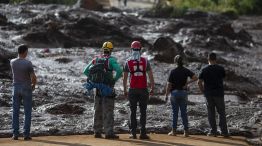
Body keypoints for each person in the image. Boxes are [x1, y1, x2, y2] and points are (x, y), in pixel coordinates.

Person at [83, 41, 122, 139]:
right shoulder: (112, 60)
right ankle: (109, 133)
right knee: (108, 110)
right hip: (108, 88)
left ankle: (97, 132)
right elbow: (120, 71)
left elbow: (85, 71)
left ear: (103, 49)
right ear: (111, 50)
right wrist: (113, 80)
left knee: (97, 110)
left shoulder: (96, 59)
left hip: (97, 88)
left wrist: (93, 80)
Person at [123, 41, 155, 139]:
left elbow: (124, 79)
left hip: (132, 90)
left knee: (132, 111)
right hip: (143, 89)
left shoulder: (127, 62)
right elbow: (151, 77)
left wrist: (125, 90)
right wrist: (152, 88)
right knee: (143, 112)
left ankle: (133, 133)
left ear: (131, 49)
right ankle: (143, 133)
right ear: (140, 49)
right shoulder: (146, 61)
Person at [198, 53, 229, 137]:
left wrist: (203, 92)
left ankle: (213, 131)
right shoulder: (221, 68)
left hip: (208, 94)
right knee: (221, 113)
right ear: (216, 59)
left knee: (211, 113)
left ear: (208, 59)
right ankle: (224, 132)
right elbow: (223, 78)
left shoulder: (204, 69)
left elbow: (199, 82)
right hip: (219, 93)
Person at [165, 55, 197, 137]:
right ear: (182, 61)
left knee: (174, 113)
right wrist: (187, 83)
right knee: (184, 113)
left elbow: (169, 85)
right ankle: (186, 132)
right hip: (183, 93)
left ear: (175, 62)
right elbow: (195, 77)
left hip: (174, 93)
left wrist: (166, 94)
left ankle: (174, 131)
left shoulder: (173, 71)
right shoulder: (186, 70)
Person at [10, 45, 37, 140]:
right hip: (26, 88)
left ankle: (15, 134)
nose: (27, 53)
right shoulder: (28, 63)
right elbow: (33, 77)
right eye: (27, 51)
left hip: (16, 87)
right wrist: (33, 85)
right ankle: (26, 134)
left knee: (15, 111)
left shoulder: (12, 62)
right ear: (25, 52)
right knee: (27, 112)